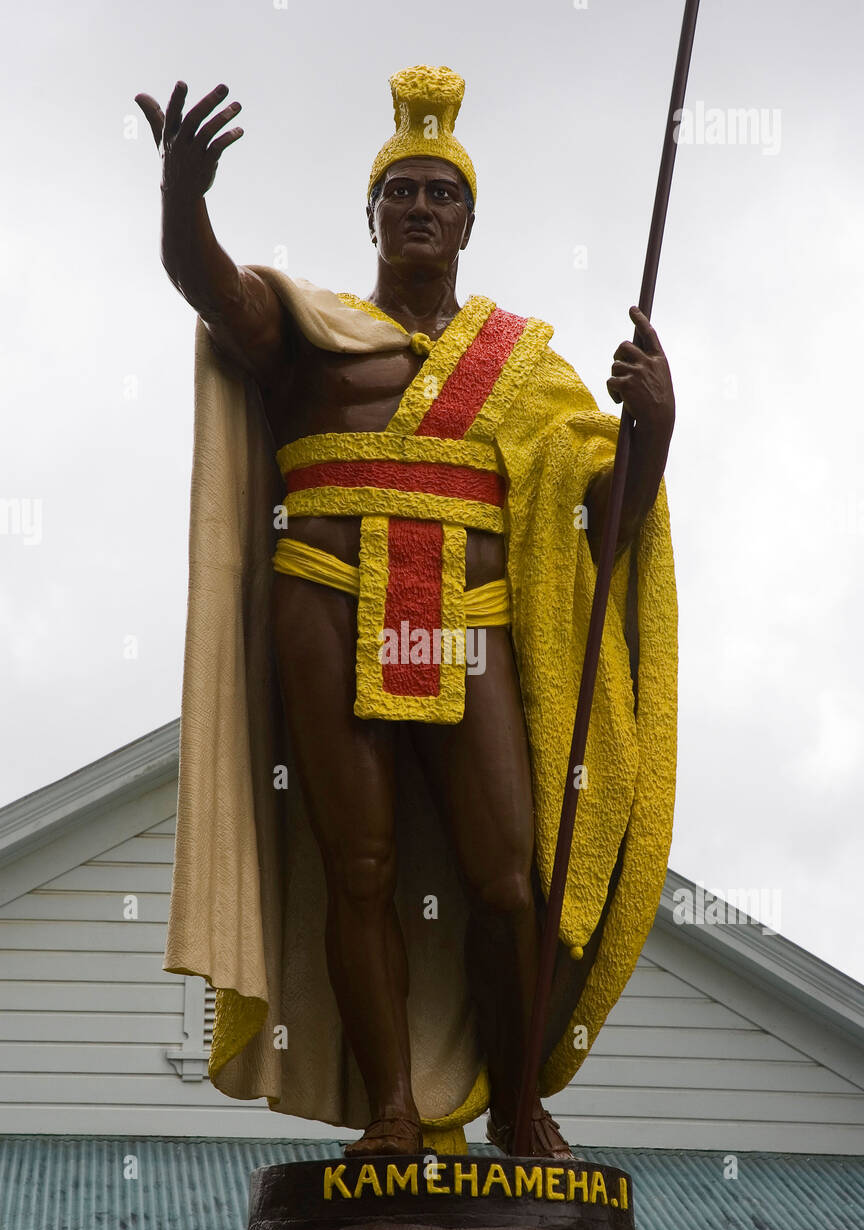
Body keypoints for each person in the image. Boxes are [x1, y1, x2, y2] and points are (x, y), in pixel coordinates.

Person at [138, 65, 677, 1157]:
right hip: (324, 606)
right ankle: (389, 1110)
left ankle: (517, 1104)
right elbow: (213, 289)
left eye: (440, 192)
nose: (420, 207)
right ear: (372, 212)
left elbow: (602, 530)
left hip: (466, 616)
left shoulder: (525, 370)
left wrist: (654, 428)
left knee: (505, 875)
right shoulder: (312, 329)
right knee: (361, 866)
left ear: (469, 219)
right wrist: (182, 200)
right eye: (402, 192)